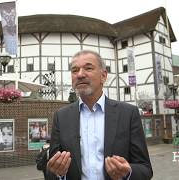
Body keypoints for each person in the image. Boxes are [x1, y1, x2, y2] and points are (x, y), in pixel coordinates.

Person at [47, 50, 153, 180]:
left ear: (103, 76)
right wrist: (59, 173)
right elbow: (51, 170)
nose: (80, 74)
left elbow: (145, 169)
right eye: (74, 70)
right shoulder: (61, 117)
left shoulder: (128, 114)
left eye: (88, 68)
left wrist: (128, 172)